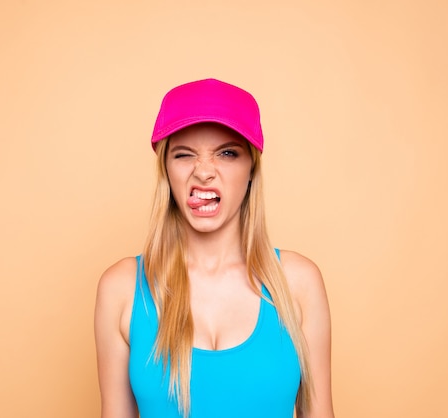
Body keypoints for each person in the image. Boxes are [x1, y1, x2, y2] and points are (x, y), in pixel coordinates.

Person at [94, 78, 334, 418]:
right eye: (183, 154)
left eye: (227, 153)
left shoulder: (298, 283)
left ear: (252, 168)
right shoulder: (121, 289)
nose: (203, 172)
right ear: (165, 169)